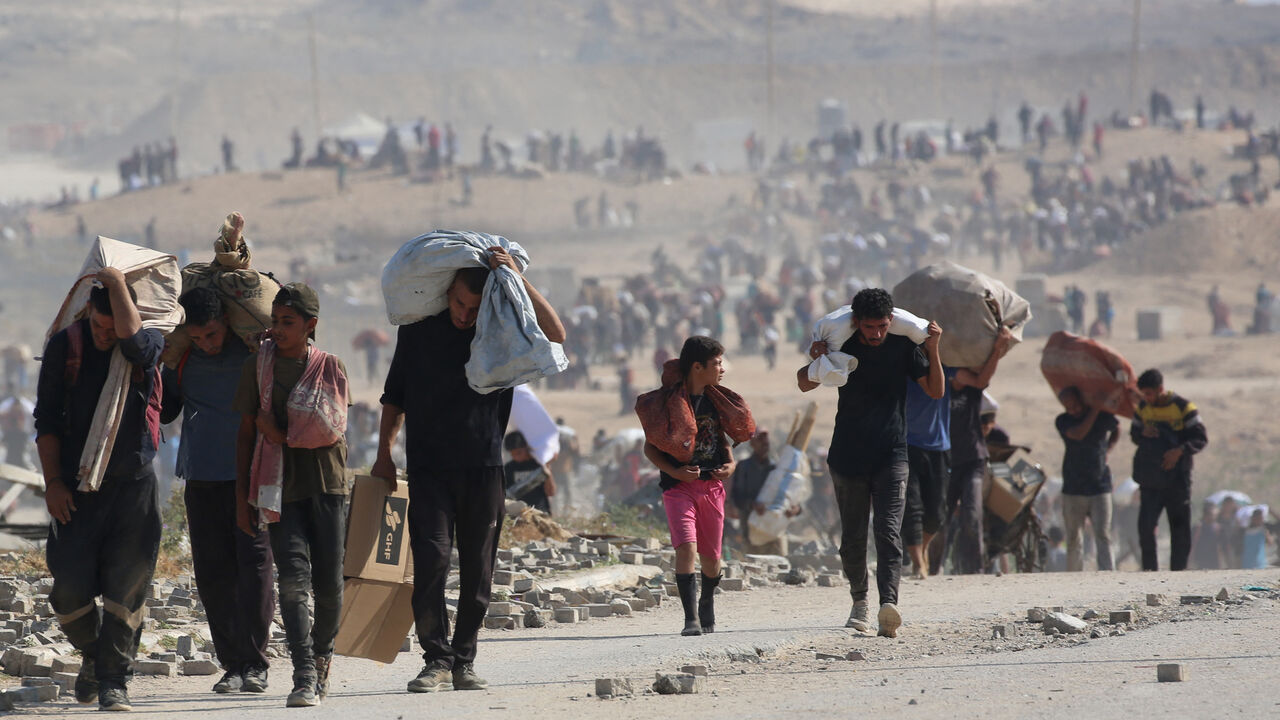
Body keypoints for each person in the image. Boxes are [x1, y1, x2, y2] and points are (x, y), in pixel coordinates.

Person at [371, 248, 565, 693]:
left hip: (483, 468)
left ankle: (464, 660)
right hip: (428, 468)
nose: (465, 314)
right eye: (459, 303)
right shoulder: (418, 332)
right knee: (432, 562)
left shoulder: (499, 331)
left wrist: (515, 276)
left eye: (474, 308)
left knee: (479, 572)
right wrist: (385, 453)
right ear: (447, 293)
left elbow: (556, 333)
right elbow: (394, 397)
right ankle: (435, 660)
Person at [35, 271, 164, 711]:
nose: (106, 336)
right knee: (69, 590)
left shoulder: (146, 342)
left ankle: (114, 682)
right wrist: (53, 484)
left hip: (133, 486)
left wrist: (115, 284)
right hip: (77, 488)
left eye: (114, 327)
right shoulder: (65, 346)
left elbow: (137, 345)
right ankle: (96, 655)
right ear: (87, 312)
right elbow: (47, 421)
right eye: (98, 327)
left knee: (126, 591)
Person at [798, 288, 943, 638]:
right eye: (869, 327)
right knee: (852, 537)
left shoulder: (904, 347)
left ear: (890, 321)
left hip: (892, 453)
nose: (876, 334)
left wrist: (933, 350)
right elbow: (803, 383)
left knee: (888, 532)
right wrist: (817, 358)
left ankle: (887, 605)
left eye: (881, 326)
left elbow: (936, 391)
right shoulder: (842, 345)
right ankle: (859, 601)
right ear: (856, 323)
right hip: (847, 455)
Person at [234, 283, 350, 707]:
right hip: (278, 489)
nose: (279, 330)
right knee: (293, 585)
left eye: (288, 322)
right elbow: (247, 433)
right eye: (275, 322)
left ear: (310, 325)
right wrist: (243, 498)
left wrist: (280, 434)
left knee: (330, 586)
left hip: (327, 486)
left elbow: (328, 429)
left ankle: (322, 658)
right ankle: (303, 674)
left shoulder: (331, 368)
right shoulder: (257, 369)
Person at [160, 288, 274, 694]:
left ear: (226, 322)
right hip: (201, 476)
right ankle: (233, 664)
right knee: (214, 574)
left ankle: (256, 663)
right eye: (197, 338)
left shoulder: (251, 353)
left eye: (211, 335)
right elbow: (167, 409)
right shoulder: (182, 359)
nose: (206, 345)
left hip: (251, 477)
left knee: (255, 568)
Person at [639, 336, 751, 636]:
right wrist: (676, 470)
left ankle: (707, 600)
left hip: (712, 488)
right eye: (716, 364)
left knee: (712, 561)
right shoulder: (670, 404)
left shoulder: (715, 401)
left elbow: (721, 442)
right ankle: (690, 620)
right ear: (698, 367)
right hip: (678, 489)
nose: (722, 369)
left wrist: (731, 464)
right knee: (686, 548)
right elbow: (650, 449)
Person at [945, 327, 1013, 575]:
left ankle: (975, 571)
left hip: (974, 460)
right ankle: (932, 570)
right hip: (947, 461)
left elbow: (983, 379)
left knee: (971, 515)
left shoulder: (973, 392)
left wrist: (997, 348)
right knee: (939, 518)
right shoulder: (938, 390)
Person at [1130, 368, 1208, 571]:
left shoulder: (1183, 407)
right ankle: (1149, 572)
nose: (1146, 398)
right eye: (1143, 394)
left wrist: (1179, 451)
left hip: (1177, 479)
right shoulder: (1143, 408)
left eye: (1149, 394)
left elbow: (1200, 438)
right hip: (1150, 479)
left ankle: (1178, 573)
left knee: (1180, 528)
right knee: (1146, 527)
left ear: (1160, 389)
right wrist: (1143, 432)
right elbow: (1134, 434)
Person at [1054, 386, 1120, 571]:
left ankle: (1108, 575)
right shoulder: (1063, 421)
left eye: (1075, 405)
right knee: (1074, 537)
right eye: (1069, 407)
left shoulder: (1101, 417)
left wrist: (1109, 448)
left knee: (1103, 534)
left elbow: (1116, 428)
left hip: (1100, 485)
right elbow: (1078, 434)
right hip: (1073, 487)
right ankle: (1074, 576)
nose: (1073, 410)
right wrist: (1096, 410)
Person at [903, 364, 954, 580]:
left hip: (938, 447)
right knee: (912, 507)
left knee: (936, 512)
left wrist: (998, 348)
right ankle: (917, 562)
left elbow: (979, 381)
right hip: (905, 445)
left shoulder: (946, 367)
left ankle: (922, 550)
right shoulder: (901, 363)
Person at [727, 431, 775, 551]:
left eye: (766, 442)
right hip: (750, 527)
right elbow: (737, 496)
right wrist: (752, 505)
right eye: (761, 441)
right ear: (753, 444)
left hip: (773, 530)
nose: (765, 444)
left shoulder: (776, 468)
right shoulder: (744, 467)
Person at [502, 431, 555, 513]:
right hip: (518, 514)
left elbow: (551, 492)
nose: (516, 458)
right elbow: (506, 496)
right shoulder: (509, 468)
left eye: (519, 453)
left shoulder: (539, 464)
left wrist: (548, 475)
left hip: (540, 513)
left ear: (526, 447)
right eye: (513, 454)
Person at [1191, 501, 1224, 569]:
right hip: (1200, 559)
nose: (1214, 516)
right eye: (1212, 514)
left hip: (1214, 560)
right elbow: (1192, 544)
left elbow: (1221, 546)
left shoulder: (1218, 528)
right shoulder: (1198, 527)